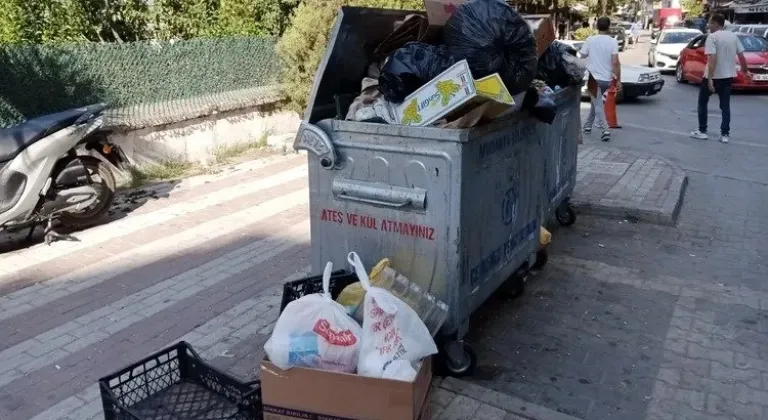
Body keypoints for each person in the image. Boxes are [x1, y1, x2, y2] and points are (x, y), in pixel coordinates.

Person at [689, 13, 751, 144]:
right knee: (725, 106)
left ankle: (702, 131)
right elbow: (741, 57)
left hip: (712, 77)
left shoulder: (712, 37)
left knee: (702, 102)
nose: (708, 25)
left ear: (716, 24)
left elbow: (712, 59)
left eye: (710, 23)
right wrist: (745, 71)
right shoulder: (733, 36)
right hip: (728, 76)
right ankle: (725, 135)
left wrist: (710, 78)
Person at [579, 16, 622, 142]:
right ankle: (587, 126)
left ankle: (605, 129)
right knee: (595, 103)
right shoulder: (612, 41)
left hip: (593, 78)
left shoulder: (590, 40)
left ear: (596, 26)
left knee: (597, 103)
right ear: (609, 27)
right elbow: (615, 62)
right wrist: (618, 79)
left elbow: (582, 56)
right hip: (606, 79)